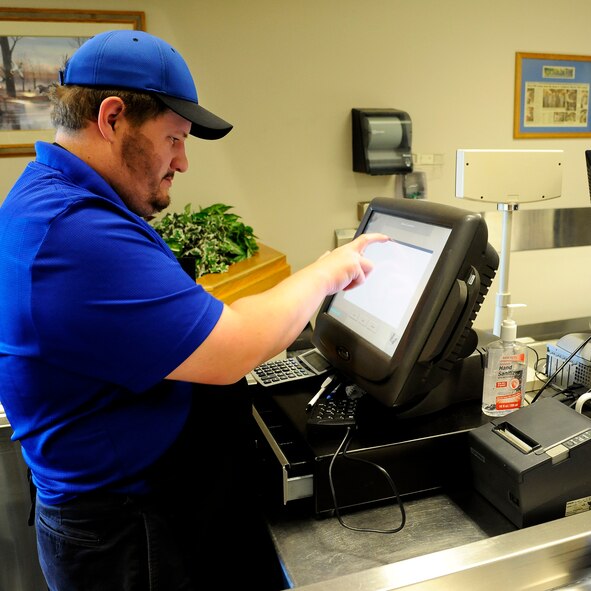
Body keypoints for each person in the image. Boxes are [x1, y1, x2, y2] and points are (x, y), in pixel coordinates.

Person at [0, 29, 387, 591]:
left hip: (121, 507)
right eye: (174, 138)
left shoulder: (55, 195)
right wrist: (330, 269)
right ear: (111, 118)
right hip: (125, 531)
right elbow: (229, 350)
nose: (182, 161)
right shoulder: (75, 230)